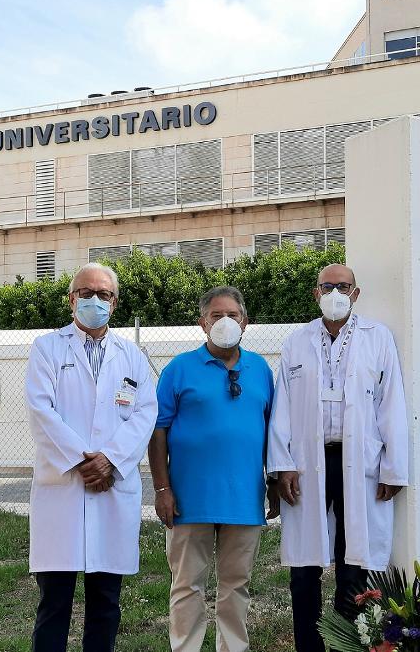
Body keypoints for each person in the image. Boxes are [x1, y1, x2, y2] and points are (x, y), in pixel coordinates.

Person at [267, 263, 409, 652]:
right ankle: (309, 647)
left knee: (355, 561)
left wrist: (394, 467)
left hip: (361, 463)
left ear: (356, 293)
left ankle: (349, 644)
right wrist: (283, 465)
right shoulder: (297, 341)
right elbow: (282, 407)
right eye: (327, 286)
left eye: (343, 287)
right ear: (316, 293)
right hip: (308, 463)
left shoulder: (378, 338)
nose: (335, 293)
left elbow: (391, 404)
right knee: (305, 565)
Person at [24, 263, 158, 652]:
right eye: (86, 293)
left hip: (111, 487)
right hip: (63, 488)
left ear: (114, 303)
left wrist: (110, 461)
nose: (94, 300)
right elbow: (41, 410)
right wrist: (85, 463)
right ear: (71, 299)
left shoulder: (131, 356)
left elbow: (145, 413)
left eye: (103, 294)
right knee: (54, 603)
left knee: (105, 603)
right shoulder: (47, 348)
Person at [148, 286, 274, 652]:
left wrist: (275, 483)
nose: (225, 322)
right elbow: (158, 432)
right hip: (189, 500)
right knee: (187, 585)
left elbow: (274, 433)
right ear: (202, 323)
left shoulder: (262, 369)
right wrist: (162, 489)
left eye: (232, 315)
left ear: (245, 322)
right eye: (216, 315)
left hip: (243, 499)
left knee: (236, 584)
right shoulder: (178, 369)